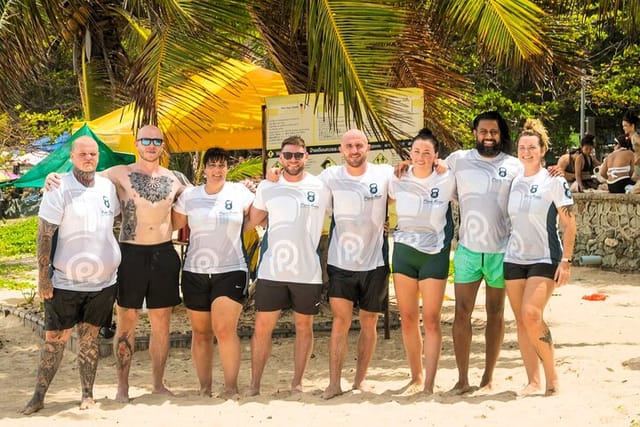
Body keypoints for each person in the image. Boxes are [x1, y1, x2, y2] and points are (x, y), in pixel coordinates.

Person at [45, 125, 190, 402]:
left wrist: (244, 186)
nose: (151, 145)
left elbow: (207, 193)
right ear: (136, 144)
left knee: (162, 322)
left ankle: (158, 384)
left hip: (163, 253)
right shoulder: (120, 173)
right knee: (127, 320)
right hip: (130, 254)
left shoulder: (175, 179)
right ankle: (122, 388)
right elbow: (83, 176)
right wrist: (55, 177)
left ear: (162, 146)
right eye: (146, 140)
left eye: (156, 141)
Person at [21, 136, 121, 414]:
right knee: (54, 340)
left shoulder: (107, 188)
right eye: (83, 154)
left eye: (93, 154)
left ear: (98, 156)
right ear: (72, 157)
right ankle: (38, 396)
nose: (88, 158)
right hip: (64, 282)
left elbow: (114, 222)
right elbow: (45, 234)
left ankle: (87, 394)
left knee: (89, 339)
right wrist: (44, 277)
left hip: (103, 283)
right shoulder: (59, 187)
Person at [442, 111, 523, 394]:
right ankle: (462, 379)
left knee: (496, 313)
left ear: (501, 135)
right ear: (475, 133)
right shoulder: (458, 160)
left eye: (494, 132)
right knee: (461, 313)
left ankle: (488, 378)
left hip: (501, 251)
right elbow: (429, 172)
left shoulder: (514, 165)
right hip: (467, 250)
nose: (488, 137)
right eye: (483, 132)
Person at [244, 136, 331, 396]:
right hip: (272, 271)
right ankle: (255, 385)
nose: (293, 160)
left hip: (308, 272)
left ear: (306, 157)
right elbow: (250, 221)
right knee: (262, 328)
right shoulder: (267, 187)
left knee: (304, 328)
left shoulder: (321, 187)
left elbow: (349, 213)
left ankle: (297, 384)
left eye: (298, 155)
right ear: (280, 157)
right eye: (288, 155)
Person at [172, 147, 254, 398]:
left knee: (224, 329)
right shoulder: (190, 196)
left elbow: (258, 215)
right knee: (201, 333)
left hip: (231, 270)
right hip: (195, 271)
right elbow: (173, 225)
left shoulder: (240, 192)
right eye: (212, 165)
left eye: (222, 165)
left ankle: (231, 387)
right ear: (204, 169)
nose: (217, 170)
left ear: (227, 169)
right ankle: (205, 387)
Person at [318, 129, 394, 399]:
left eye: (359, 145)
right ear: (341, 150)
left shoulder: (383, 174)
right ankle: (334, 383)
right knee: (341, 321)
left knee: (369, 322)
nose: (354, 150)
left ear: (368, 148)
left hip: (375, 262)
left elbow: (407, 190)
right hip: (341, 262)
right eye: (349, 146)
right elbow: (303, 189)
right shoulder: (330, 177)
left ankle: (360, 380)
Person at [504, 119, 576, 396]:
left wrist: (566, 261)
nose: (526, 152)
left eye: (532, 147)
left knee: (532, 314)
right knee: (521, 321)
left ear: (543, 149)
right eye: (522, 147)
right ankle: (532, 381)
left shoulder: (554, 180)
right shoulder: (513, 180)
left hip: (545, 257)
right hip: (513, 257)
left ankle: (552, 379)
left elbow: (569, 224)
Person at [388, 129, 456, 394]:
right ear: (409, 154)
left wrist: (444, 164)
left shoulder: (447, 177)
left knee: (431, 319)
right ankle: (416, 377)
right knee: (407, 318)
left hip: (434, 254)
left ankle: (429, 382)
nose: (421, 156)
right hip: (404, 251)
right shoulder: (397, 177)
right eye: (416, 151)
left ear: (436, 155)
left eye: (427, 152)